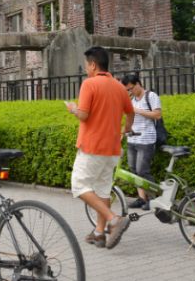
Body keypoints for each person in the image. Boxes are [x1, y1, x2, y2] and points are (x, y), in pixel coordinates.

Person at [64, 46, 134, 250]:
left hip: (92, 146)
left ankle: (114, 220)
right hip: (112, 148)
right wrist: (126, 130)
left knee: (78, 185)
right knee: (103, 190)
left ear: (93, 65)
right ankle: (99, 233)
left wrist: (72, 109)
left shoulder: (90, 84)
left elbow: (84, 115)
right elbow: (130, 113)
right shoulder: (120, 87)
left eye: (87, 65)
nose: (86, 69)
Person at [121, 74, 162, 210]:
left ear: (138, 84)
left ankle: (155, 200)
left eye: (131, 88)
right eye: (128, 90)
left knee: (142, 170)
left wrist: (137, 110)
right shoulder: (131, 100)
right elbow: (129, 120)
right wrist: (122, 133)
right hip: (132, 139)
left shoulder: (151, 96)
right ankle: (142, 199)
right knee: (133, 171)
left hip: (146, 139)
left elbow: (157, 114)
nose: (130, 92)